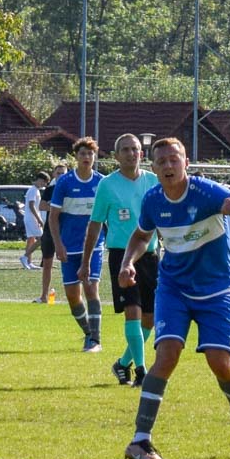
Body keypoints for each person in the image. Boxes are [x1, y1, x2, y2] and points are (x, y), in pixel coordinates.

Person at [116, 138, 230, 459]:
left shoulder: (207, 192)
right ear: (154, 168)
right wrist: (128, 263)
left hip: (216, 290)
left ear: (186, 163)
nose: (168, 166)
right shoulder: (153, 200)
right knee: (166, 356)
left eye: (174, 159)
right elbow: (141, 235)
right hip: (174, 289)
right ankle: (140, 441)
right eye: (162, 162)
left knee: (219, 362)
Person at [81, 134, 157, 386]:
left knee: (150, 318)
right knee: (132, 311)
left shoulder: (153, 181)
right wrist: (85, 261)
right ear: (116, 156)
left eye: (135, 149)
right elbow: (95, 225)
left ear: (142, 154)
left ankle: (123, 363)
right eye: (125, 149)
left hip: (150, 256)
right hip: (121, 256)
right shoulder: (107, 185)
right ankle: (142, 371)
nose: (131, 154)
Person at [48, 138, 106, 352]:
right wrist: (58, 245)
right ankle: (88, 333)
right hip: (69, 246)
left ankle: (95, 340)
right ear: (76, 157)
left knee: (91, 288)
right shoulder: (65, 182)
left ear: (95, 157)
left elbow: (108, 215)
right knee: (73, 297)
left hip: (94, 246)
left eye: (90, 154)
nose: (86, 157)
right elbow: (53, 217)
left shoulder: (102, 182)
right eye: (82, 154)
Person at [33, 165, 67, 303]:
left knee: (69, 263)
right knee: (47, 263)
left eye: (63, 173)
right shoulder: (50, 190)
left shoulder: (70, 190)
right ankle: (44, 296)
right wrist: (56, 209)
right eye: (58, 173)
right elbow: (41, 206)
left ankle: (74, 295)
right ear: (54, 174)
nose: (60, 176)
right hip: (49, 230)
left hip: (66, 230)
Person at [19, 171, 47, 271]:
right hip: (31, 219)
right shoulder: (33, 190)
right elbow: (31, 206)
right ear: (39, 179)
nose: (44, 184)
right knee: (41, 239)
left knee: (31, 240)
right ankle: (25, 257)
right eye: (44, 182)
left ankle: (29, 262)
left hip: (30, 218)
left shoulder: (35, 190)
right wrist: (39, 219)